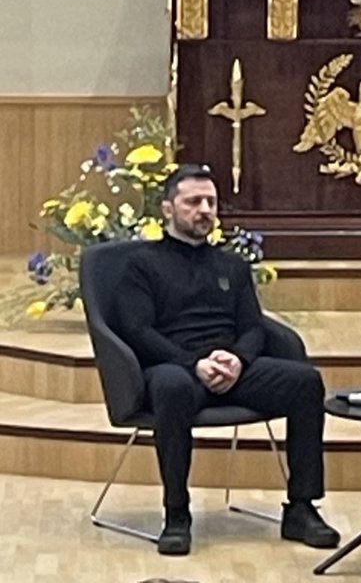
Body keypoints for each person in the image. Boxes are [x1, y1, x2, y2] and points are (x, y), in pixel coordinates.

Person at [116, 163, 340, 557]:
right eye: (193, 202)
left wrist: (238, 358)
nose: (204, 210)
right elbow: (137, 331)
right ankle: (177, 514)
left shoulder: (231, 265)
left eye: (211, 202)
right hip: (176, 367)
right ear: (168, 209)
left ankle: (301, 508)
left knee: (305, 382)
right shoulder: (141, 264)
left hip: (233, 367)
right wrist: (193, 364)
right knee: (171, 386)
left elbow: (254, 326)